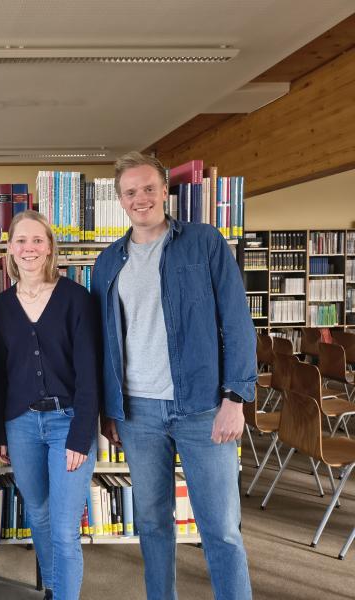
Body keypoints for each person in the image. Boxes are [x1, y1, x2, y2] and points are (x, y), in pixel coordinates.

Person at [92, 152, 256, 600]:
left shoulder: (204, 242)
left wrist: (235, 398)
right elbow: (104, 341)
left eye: (149, 188)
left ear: (165, 191)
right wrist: (110, 408)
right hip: (137, 414)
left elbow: (237, 322)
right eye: (130, 192)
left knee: (221, 528)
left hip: (204, 408)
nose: (140, 198)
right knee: (152, 524)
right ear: (120, 200)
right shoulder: (107, 262)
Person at [0, 210, 100, 600]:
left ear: (50, 247)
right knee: (38, 513)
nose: (29, 248)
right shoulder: (2, 306)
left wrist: (82, 436)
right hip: (21, 425)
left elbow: (89, 373)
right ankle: (53, 588)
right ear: (10, 249)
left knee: (65, 528)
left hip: (68, 423)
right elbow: (0, 372)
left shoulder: (76, 298)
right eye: (21, 241)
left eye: (38, 240)